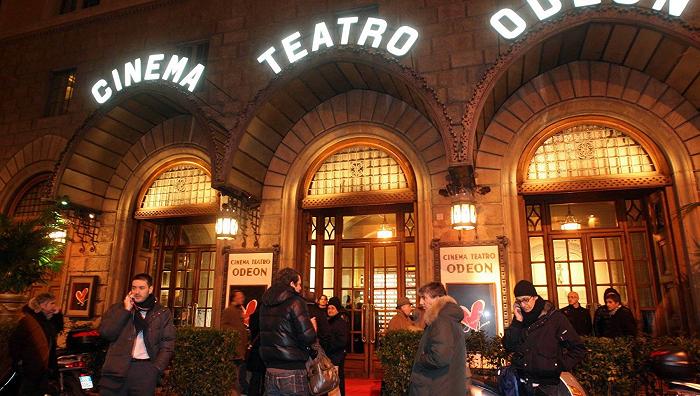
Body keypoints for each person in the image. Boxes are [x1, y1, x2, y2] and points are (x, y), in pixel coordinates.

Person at [502, 280, 586, 396]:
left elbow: (578, 349)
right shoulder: (520, 318)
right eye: (519, 301)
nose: (523, 305)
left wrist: (556, 366)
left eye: (526, 300)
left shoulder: (555, 318)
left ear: (535, 297)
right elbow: (509, 346)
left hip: (547, 387)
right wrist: (517, 321)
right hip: (522, 383)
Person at [99, 273, 175, 395]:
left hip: (144, 370)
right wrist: (125, 310)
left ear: (150, 289)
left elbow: (167, 344)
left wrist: (155, 369)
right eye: (134, 288)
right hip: (115, 369)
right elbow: (106, 333)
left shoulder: (162, 313)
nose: (137, 292)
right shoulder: (118, 309)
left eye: (141, 288)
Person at [260, 268, 316, 396]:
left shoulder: (265, 303)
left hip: (270, 369)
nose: (301, 288)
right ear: (291, 283)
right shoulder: (296, 302)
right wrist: (313, 328)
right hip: (292, 369)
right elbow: (308, 336)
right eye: (299, 284)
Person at [408, 282, 466, 396]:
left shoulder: (441, 320)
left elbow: (440, 357)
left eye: (424, 297)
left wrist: (420, 359)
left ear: (438, 298)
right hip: (442, 385)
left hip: (434, 387)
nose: (420, 302)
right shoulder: (446, 317)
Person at [9, 293, 64, 395]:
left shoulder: (45, 320)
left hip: (42, 366)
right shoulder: (29, 321)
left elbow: (58, 328)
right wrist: (20, 361)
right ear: (43, 305)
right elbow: (15, 342)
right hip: (31, 367)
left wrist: (58, 314)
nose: (54, 306)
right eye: (52, 303)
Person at [221, 289, 250, 395]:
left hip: (240, 350)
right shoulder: (229, 311)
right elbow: (223, 326)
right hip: (235, 350)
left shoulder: (239, 311)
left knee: (239, 376)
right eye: (240, 297)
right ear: (234, 298)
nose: (242, 299)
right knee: (235, 377)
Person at [319, 297, 348, 395]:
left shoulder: (341, 323)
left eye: (332, 308)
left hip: (336, 358)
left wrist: (327, 347)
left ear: (337, 310)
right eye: (329, 308)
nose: (330, 310)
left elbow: (342, 341)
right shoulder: (328, 321)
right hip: (328, 358)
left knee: (335, 385)